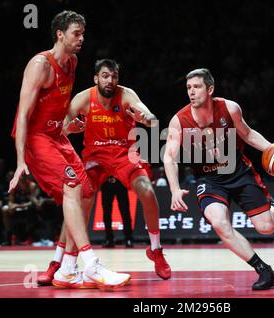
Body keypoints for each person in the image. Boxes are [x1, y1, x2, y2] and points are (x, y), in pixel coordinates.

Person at [9, 11, 130, 290]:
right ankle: (91, 264)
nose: (82, 38)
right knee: (73, 186)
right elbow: (24, 115)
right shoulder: (40, 65)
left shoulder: (73, 62)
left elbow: (59, 103)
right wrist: (19, 161)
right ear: (60, 34)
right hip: (36, 138)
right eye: (77, 33)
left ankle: (64, 267)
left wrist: (67, 126)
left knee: (86, 191)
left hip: (56, 135)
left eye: (83, 33)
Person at [163, 68, 274, 290]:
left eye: (197, 87)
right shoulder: (180, 120)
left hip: (238, 172)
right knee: (220, 224)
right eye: (188, 88)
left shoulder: (229, 108)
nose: (191, 92)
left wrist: (272, 150)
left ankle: (272, 207)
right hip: (209, 179)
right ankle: (264, 270)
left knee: (267, 227)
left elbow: (248, 134)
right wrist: (175, 189)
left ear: (210, 89)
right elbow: (169, 157)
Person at [62, 58, 171, 280]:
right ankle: (63, 261)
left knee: (147, 191)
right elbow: (61, 128)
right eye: (105, 76)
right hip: (96, 157)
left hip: (124, 154)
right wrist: (69, 128)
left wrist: (146, 119)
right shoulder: (83, 98)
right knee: (79, 198)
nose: (110, 80)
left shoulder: (127, 94)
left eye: (114, 76)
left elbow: (150, 117)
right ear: (96, 78)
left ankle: (156, 250)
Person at [101, 176, 134, 248]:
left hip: (120, 181)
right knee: (106, 212)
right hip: (106, 181)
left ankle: (128, 238)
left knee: (125, 211)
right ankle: (109, 239)